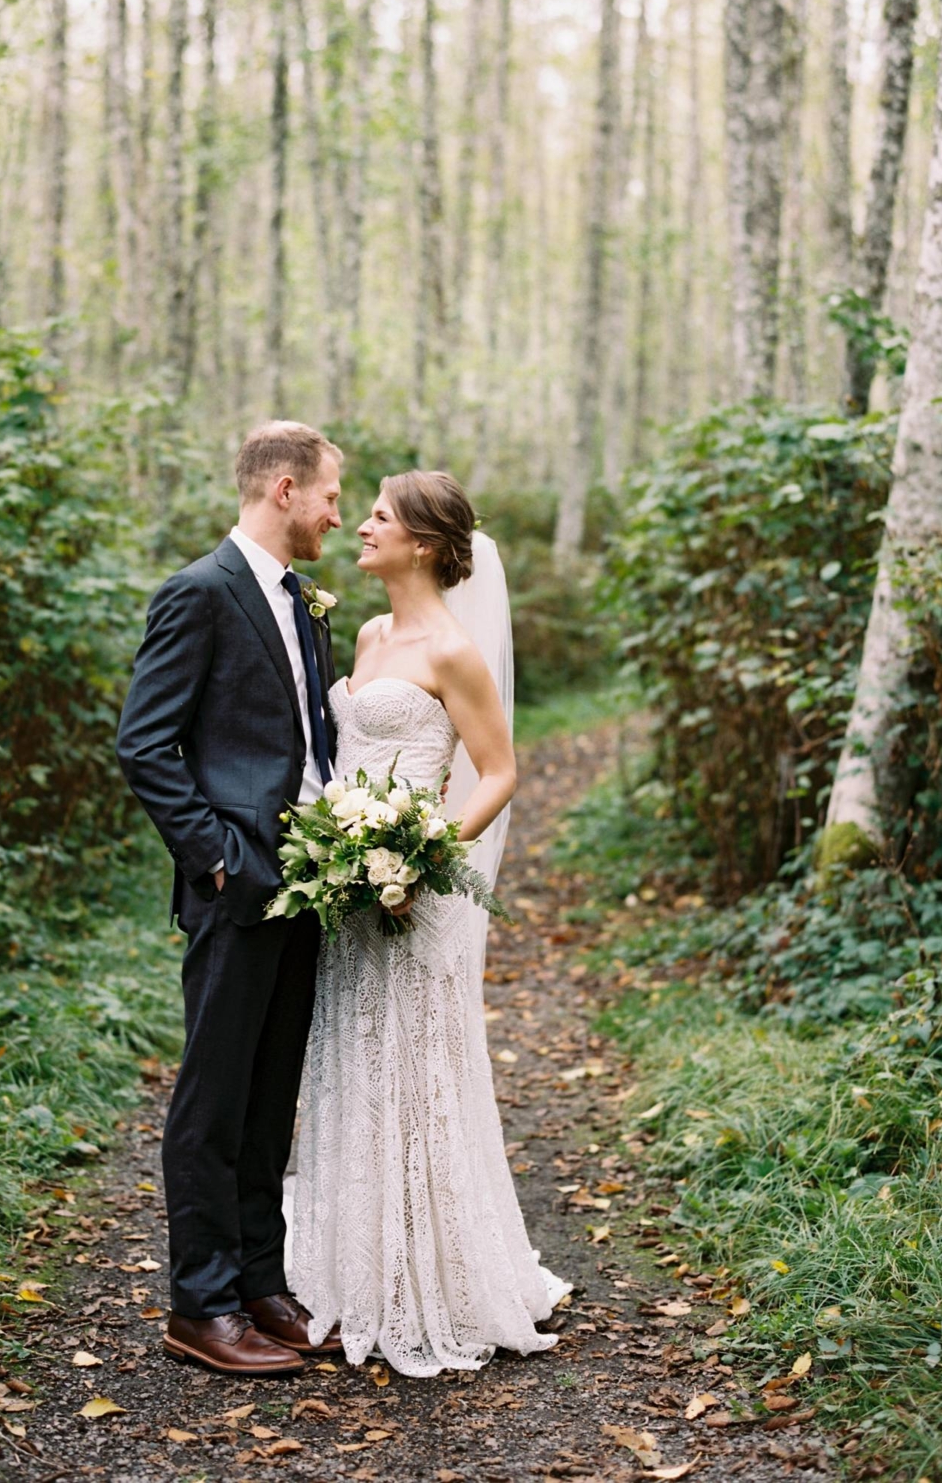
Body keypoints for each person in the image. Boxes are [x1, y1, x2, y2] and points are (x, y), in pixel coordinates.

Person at [291, 470, 566, 1376]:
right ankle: (356, 1266)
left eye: (378, 516)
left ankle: (437, 1276)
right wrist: (342, 851)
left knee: (419, 1070)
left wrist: (420, 855)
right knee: (355, 1063)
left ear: (422, 544)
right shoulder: (366, 632)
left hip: (414, 896)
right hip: (348, 893)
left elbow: (497, 773)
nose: (359, 524)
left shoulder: (452, 650)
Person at [115, 420, 346, 1376]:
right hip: (235, 880)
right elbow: (145, 743)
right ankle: (198, 1304)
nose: (339, 512)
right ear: (284, 488)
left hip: (308, 884)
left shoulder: (306, 605)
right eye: (332, 493)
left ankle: (259, 1281)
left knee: (268, 1093)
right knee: (212, 1098)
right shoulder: (200, 593)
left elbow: (307, 741)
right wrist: (213, 853)